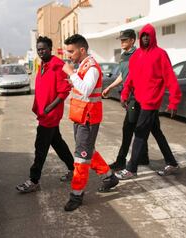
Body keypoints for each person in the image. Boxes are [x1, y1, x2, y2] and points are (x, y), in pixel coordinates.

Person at [115, 24, 182, 180]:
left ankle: (131, 168)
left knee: (139, 133)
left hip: (151, 102)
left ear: (153, 37)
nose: (145, 38)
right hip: (138, 99)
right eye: (143, 35)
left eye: (148, 35)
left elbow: (171, 79)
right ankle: (172, 163)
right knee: (157, 132)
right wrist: (125, 93)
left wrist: (174, 101)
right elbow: (131, 77)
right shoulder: (137, 54)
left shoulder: (160, 54)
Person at [62, 34, 119, 212]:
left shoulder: (92, 67)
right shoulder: (83, 66)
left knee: (81, 157)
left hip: (87, 119)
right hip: (80, 117)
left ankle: (77, 195)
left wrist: (71, 73)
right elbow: (82, 87)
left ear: (82, 50)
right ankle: (109, 177)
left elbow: (86, 90)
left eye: (71, 51)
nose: (69, 55)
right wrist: (71, 79)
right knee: (88, 151)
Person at [15, 36, 74, 193]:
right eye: (38, 49)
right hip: (43, 113)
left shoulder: (57, 65)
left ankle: (34, 180)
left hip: (50, 115)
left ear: (50, 49)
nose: (41, 51)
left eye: (44, 49)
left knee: (40, 147)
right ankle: (74, 168)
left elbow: (64, 92)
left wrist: (50, 107)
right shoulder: (43, 64)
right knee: (58, 143)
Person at [102, 29, 149, 171]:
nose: (121, 42)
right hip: (129, 95)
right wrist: (110, 87)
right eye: (121, 40)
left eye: (124, 40)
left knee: (128, 128)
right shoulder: (123, 57)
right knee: (141, 127)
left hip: (137, 96)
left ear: (132, 41)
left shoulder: (139, 54)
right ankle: (144, 157)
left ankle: (121, 160)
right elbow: (123, 76)